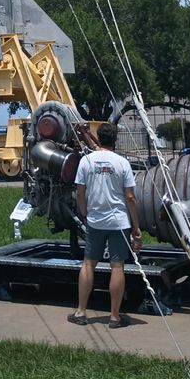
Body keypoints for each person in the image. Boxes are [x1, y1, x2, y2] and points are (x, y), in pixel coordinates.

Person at [67, 120, 142, 329]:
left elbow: (79, 191)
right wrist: (136, 226)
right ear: (115, 139)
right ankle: (114, 317)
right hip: (119, 221)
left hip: (95, 221)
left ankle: (81, 312)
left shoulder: (87, 161)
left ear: (98, 138)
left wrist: (84, 211)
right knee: (117, 266)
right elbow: (130, 197)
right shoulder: (122, 163)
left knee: (89, 263)